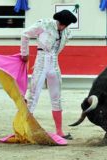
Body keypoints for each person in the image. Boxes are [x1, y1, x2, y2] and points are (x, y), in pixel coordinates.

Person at [20, 10, 77, 140]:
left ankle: (59, 131)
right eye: (61, 24)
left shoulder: (67, 31)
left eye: (65, 25)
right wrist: (24, 53)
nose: (62, 27)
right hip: (41, 61)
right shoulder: (44, 24)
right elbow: (24, 34)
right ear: (58, 21)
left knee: (56, 98)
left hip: (54, 63)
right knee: (33, 96)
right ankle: (25, 129)